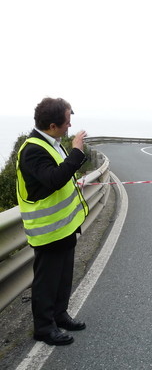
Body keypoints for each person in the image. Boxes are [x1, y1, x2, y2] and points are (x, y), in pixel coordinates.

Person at [16, 97, 89, 346]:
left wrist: (74, 154)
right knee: (47, 282)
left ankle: (60, 315)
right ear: (53, 125)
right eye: (67, 122)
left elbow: (64, 173)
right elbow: (54, 179)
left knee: (63, 277)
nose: (70, 126)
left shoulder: (54, 143)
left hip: (64, 226)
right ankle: (44, 328)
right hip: (47, 231)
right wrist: (77, 150)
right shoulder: (33, 150)